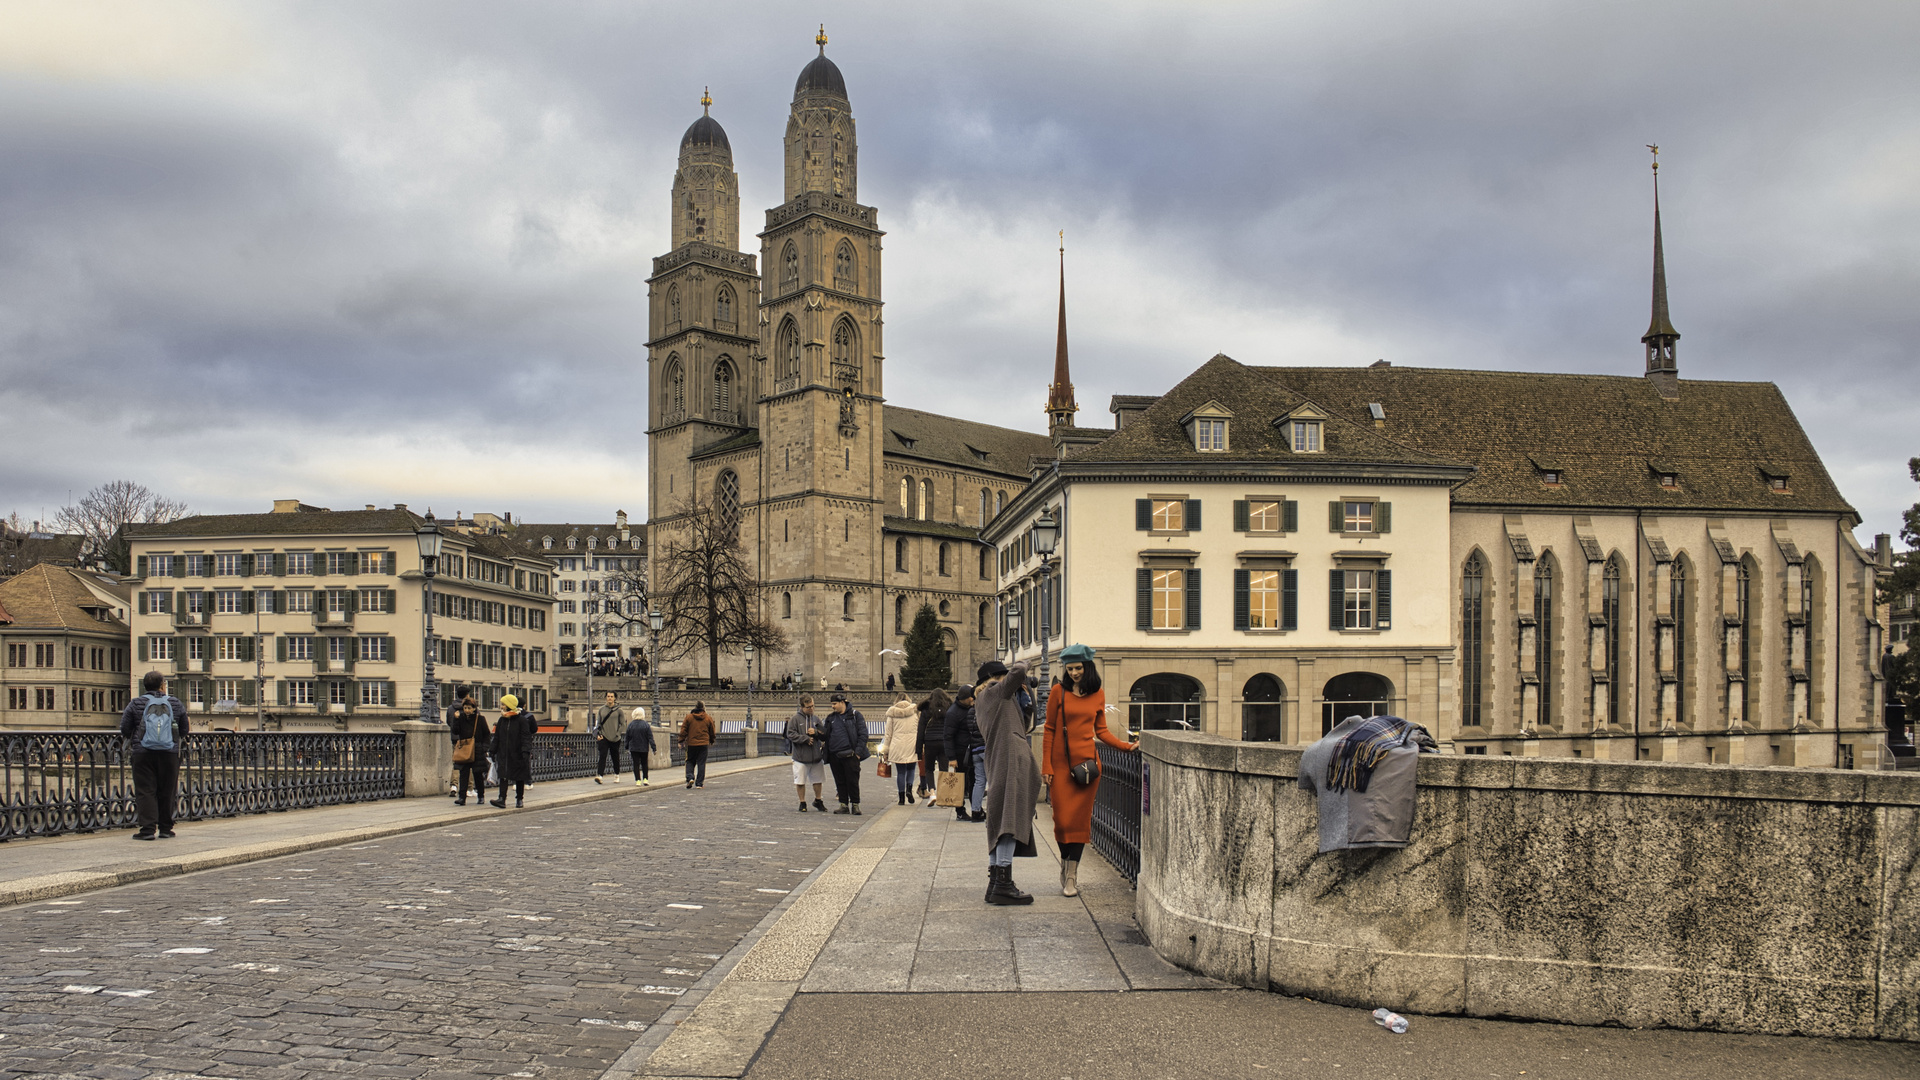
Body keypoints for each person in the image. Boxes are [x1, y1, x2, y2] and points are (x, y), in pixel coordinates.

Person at [1042, 645, 1136, 897]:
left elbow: (1101, 731)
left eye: (1078, 668)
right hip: (1061, 766)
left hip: (1088, 767)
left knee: (1080, 822)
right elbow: (1050, 729)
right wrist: (1047, 766)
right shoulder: (1057, 692)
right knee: (1062, 821)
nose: (1073, 673)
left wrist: (1126, 747)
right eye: (1070, 669)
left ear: (1087, 667)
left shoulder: (1098, 694)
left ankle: (1072, 874)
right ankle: (1065, 862)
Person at [974, 660, 1040, 905]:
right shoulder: (995, 692)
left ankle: (995, 883)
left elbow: (1022, 725)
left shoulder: (991, 700)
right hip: (1009, 760)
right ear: (995, 677)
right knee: (1008, 820)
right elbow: (1020, 671)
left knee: (1000, 819)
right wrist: (1023, 665)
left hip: (1001, 759)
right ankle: (1003, 884)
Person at [120, 671, 188, 840]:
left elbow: (125, 729)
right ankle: (166, 828)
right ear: (163, 685)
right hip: (169, 753)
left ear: (144, 686)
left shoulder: (135, 703)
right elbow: (184, 730)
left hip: (143, 752)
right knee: (167, 790)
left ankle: (148, 829)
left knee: (145, 790)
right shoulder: (175, 703)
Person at [822, 693, 870, 814]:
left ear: (842, 702)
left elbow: (863, 734)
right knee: (840, 781)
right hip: (835, 755)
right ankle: (843, 804)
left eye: (834, 704)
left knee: (852, 781)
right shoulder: (831, 718)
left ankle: (855, 804)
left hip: (850, 755)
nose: (833, 706)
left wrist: (858, 753)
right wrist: (815, 733)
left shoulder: (855, 715)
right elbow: (825, 735)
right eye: (832, 704)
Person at [943, 685, 986, 822]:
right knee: (960, 783)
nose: (973, 699)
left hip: (971, 750)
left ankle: (976, 808)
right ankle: (960, 810)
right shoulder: (953, 713)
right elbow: (948, 736)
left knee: (973, 781)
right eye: (971, 698)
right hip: (960, 752)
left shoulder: (969, 708)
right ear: (966, 699)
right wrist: (952, 758)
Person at [783, 695, 829, 812]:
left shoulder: (816, 719)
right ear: (802, 707)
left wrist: (816, 733)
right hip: (801, 757)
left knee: (818, 780)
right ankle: (802, 802)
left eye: (813, 706)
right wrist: (804, 738)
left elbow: (824, 734)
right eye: (809, 707)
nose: (812, 709)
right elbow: (790, 734)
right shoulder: (795, 720)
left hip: (816, 756)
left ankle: (818, 800)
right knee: (800, 781)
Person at [490, 694, 535, 808]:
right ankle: (502, 798)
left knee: (519, 776)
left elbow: (526, 737)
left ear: (509, 705)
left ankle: (519, 799)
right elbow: (497, 737)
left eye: (503, 704)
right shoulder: (502, 720)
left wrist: (525, 751)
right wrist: (492, 750)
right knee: (503, 775)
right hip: (504, 752)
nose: (502, 707)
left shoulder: (521, 720)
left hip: (517, 752)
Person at [878, 691, 921, 806]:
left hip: (897, 745)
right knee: (911, 769)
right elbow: (920, 729)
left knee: (901, 772)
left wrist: (885, 751)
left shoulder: (892, 713)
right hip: (912, 744)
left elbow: (888, 734)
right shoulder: (915, 711)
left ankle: (901, 797)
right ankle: (909, 790)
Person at [448, 697, 492, 806]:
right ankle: (462, 797)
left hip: (477, 749)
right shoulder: (461, 718)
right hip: (464, 748)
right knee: (464, 773)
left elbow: (487, 734)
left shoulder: (480, 719)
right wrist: (456, 719)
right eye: (465, 708)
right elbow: (455, 731)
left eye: (469, 708)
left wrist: (484, 748)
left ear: (474, 708)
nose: (467, 710)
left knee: (477, 774)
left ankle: (481, 796)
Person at [915, 689, 951, 802]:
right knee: (944, 769)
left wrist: (919, 749)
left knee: (929, 769)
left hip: (930, 742)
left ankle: (932, 793)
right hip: (944, 742)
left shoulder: (926, 709)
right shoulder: (949, 709)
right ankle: (943, 795)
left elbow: (920, 730)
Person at [681, 700, 717, 789]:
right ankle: (699, 783)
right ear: (703, 708)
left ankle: (690, 777)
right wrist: (712, 740)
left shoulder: (689, 717)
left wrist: (681, 740)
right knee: (701, 763)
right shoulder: (708, 718)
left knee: (690, 761)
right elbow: (712, 731)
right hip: (703, 743)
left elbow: (684, 729)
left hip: (691, 743)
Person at [594, 691, 624, 784]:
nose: (609, 698)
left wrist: (618, 733)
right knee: (602, 756)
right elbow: (598, 723)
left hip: (615, 738)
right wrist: (598, 734)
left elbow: (623, 724)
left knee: (615, 757)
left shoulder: (619, 710)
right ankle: (600, 776)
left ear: (615, 698)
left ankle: (616, 774)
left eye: (611, 696)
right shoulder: (601, 709)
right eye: (608, 696)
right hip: (604, 736)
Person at [624, 706, 655, 786]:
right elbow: (650, 737)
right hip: (644, 747)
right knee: (644, 763)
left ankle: (638, 780)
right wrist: (653, 748)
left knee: (636, 764)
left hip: (634, 747)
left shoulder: (631, 725)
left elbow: (627, 737)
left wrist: (626, 747)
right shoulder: (646, 725)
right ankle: (645, 779)